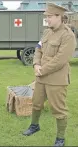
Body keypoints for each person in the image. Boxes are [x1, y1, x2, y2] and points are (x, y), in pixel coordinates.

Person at [22, 3, 77, 146]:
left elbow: (61, 60)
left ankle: (60, 138)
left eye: (49, 17)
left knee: (59, 110)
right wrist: (35, 64)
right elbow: (38, 48)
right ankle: (34, 126)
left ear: (59, 16)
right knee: (36, 103)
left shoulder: (68, 36)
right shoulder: (47, 32)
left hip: (56, 79)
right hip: (41, 77)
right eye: (46, 16)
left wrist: (42, 69)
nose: (47, 19)